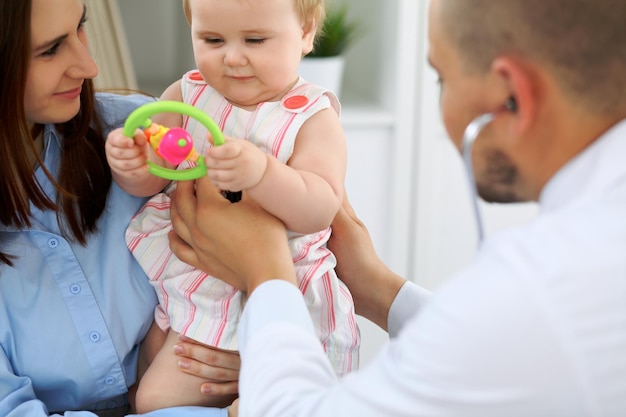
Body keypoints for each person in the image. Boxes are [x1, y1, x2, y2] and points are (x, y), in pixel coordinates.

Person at [166, 0, 626, 415]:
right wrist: (380, 292)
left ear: (512, 98)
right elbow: (511, 351)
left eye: (442, 78)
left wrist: (264, 269)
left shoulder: (539, 287)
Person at [105, 0, 359, 413]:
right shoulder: (186, 96)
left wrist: (263, 174)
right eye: (212, 39)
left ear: (306, 33)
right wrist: (131, 166)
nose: (233, 57)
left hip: (254, 287)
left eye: (255, 40)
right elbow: (156, 177)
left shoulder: (311, 116)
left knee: (156, 400)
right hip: (185, 274)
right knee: (138, 372)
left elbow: (319, 206)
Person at [0, 0, 241, 416]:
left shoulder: (147, 140)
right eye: (49, 50)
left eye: (80, 26)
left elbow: (287, 251)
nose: (89, 66)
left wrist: (254, 343)